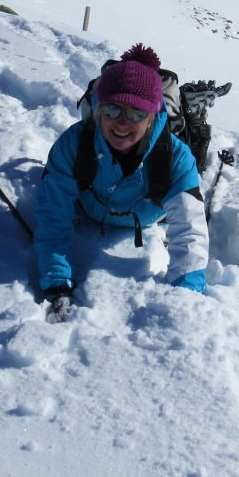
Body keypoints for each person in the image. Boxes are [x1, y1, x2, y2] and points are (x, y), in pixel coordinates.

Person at [33, 43, 209, 313]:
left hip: (148, 217)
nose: (122, 123)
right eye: (113, 109)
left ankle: (193, 112)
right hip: (92, 212)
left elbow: (189, 230)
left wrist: (185, 296)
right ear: (98, 108)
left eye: (137, 112)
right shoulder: (73, 144)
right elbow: (52, 216)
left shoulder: (177, 157)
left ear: (152, 117)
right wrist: (57, 280)